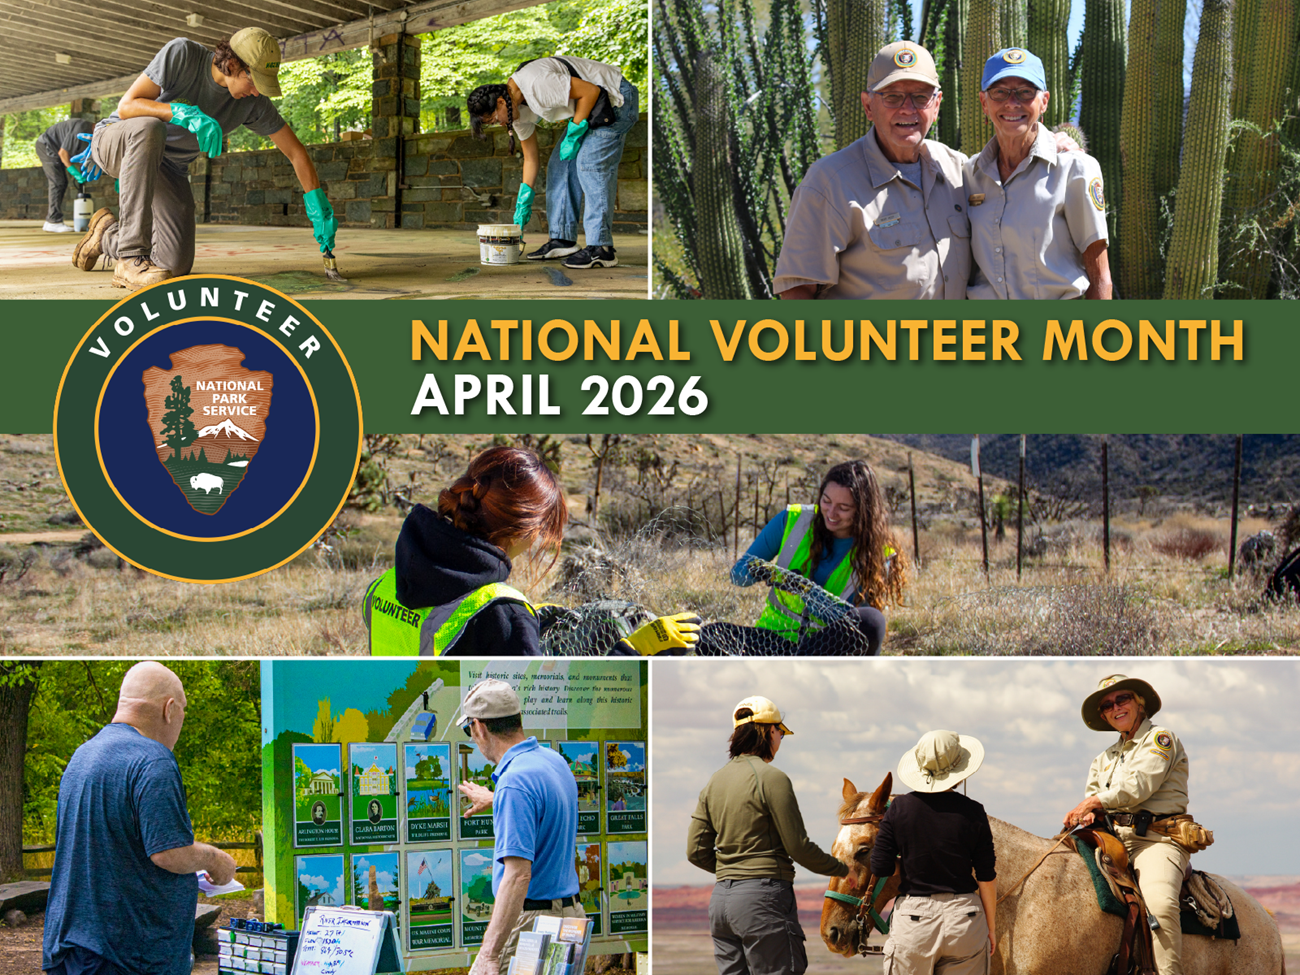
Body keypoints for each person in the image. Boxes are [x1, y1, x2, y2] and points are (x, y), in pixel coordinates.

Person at [363, 445, 699, 656]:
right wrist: (632, 652)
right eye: (543, 528)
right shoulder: (503, 616)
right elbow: (543, 719)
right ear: (524, 529)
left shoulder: (383, 586)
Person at [71, 29, 338, 290]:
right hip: (122, 141)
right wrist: (179, 112)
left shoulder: (252, 103)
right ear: (233, 64)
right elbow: (127, 106)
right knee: (151, 128)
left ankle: (106, 236)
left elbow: (295, 152)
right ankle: (129, 258)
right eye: (254, 80)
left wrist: (317, 203)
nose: (257, 92)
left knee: (173, 264)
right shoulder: (183, 54)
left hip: (169, 167)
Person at [42, 661, 238, 975]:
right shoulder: (153, 759)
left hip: (72, 946)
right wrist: (215, 859)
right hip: (127, 954)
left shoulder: (84, 755)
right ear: (170, 709)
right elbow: (168, 852)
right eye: (184, 711)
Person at [773, 42, 972, 299]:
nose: (908, 108)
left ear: (936, 104)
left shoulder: (959, 170)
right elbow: (797, 291)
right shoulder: (829, 183)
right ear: (868, 106)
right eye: (892, 96)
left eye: (920, 97)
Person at [687, 696, 851, 975]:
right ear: (768, 731)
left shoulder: (714, 781)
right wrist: (843, 870)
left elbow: (695, 851)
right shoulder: (772, 778)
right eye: (780, 733)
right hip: (763, 902)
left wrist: (733, 871)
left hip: (721, 906)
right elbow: (798, 847)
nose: (780, 740)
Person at [697, 460, 906, 656]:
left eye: (844, 508)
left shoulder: (877, 554)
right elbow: (737, 576)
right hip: (772, 640)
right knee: (709, 637)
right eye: (826, 501)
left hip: (823, 651)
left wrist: (808, 593)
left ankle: (797, 672)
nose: (831, 513)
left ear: (863, 511)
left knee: (873, 621)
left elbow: (859, 623)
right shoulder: (792, 520)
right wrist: (759, 570)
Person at [1063, 676, 1189, 975]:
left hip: (1156, 840)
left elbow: (1139, 785)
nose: (1115, 707)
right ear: (1104, 715)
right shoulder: (1102, 759)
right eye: (1107, 705)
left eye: (1123, 699)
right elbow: (1094, 800)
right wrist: (1089, 815)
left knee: (1159, 904)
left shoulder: (1161, 739)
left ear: (1139, 703)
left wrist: (1094, 803)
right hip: (1113, 840)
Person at [456, 679, 583, 975]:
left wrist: (489, 954)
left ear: (479, 727)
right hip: (569, 916)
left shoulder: (515, 783)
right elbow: (543, 808)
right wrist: (497, 798)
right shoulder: (553, 761)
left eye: (469, 731)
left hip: (533, 925)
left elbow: (517, 876)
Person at [467, 56, 640, 270]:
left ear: (501, 102)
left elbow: (590, 92)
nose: (499, 124)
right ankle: (563, 240)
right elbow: (530, 158)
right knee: (560, 166)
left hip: (616, 100)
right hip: (593, 110)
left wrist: (574, 134)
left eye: (494, 119)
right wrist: (524, 201)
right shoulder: (516, 112)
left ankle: (601, 248)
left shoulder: (535, 83)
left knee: (590, 165)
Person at [964, 49, 1111, 299]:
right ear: (983, 102)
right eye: (1000, 92)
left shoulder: (1073, 169)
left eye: (1025, 92)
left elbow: (1100, 278)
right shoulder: (970, 175)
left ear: (1043, 102)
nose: (1012, 102)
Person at [870, 730, 997, 975]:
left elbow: (880, 867)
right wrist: (990, 929)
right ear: (958, 769)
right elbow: (986, 877)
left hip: (914, 922)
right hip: (966, 920)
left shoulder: (899, 808)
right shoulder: (974, 811)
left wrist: (908, 864)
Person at [34, 119, 93, 233]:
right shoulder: (82, 129)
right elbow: (63, 153)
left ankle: (50, 221)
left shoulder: (89, 136)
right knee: (58, 182)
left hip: (54, 148)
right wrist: (73, 171)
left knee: (61, 182)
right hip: (47, 146)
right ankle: (53, 221)